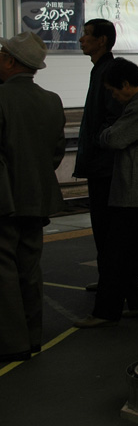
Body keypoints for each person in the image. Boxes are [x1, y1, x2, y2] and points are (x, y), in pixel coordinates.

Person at [75, 58, 138, 328]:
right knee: (133, 253)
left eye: (114, 90)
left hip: (137, 194)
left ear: (127, 85)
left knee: (115, 254)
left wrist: (103, 132)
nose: (113, 96)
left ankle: (105, 311)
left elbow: (113, 138)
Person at [0, 33, 66, 362]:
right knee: (30, 267)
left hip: (5, 201)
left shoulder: (1, 98)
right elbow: (55, 154)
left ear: (10, 61)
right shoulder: (52, 100)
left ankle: (12, 343)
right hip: (37, 200)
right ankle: (34, 336)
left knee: (4, 271)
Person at [74, 18, 122, 293]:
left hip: (104, 165)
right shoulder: (101, 70)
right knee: (105, 229)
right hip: (101, 163)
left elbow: (111, 117)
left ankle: (111, 288)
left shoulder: (107, 71)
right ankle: (109, 281)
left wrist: (98, 143)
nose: (82, 39)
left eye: (87, 35)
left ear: (102, 40)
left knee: (106, 229)